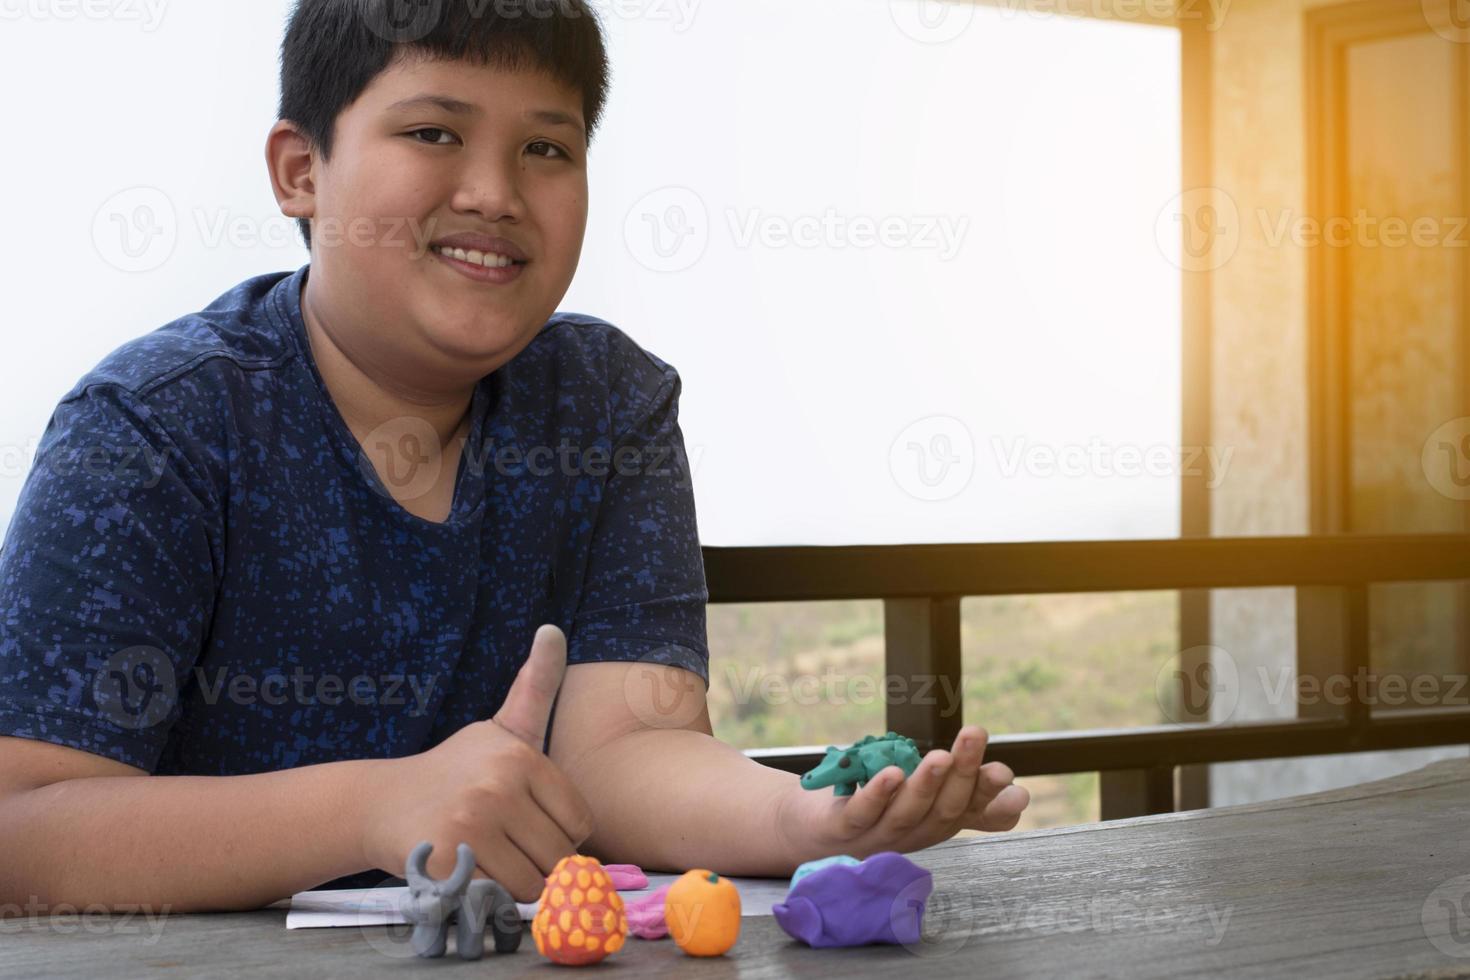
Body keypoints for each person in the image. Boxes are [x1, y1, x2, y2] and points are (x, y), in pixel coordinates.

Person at [0, 0, 1028, 913]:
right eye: (434, 130)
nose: (495, 192)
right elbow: (22, 828)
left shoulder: (610, 401)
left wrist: (814, 820)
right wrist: (373, 805)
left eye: (548, 148)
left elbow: (626, 748)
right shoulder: (152, 426)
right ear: (301, 170)